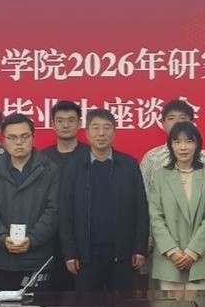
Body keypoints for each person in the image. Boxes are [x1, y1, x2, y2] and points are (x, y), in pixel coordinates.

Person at [59, 109, 149, 292]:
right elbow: (65, 212)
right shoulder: (73, 166)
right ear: (87, 133)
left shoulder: (129, 164)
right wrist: (69, 253)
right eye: (96, 128)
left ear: (114, 133)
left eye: (107, 128)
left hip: (122, 254)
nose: (101, 133)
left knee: (123, 306)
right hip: (85, 256)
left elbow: (141, 208)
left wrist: (140, 248)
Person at [0, 113, 60, 291]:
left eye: (24, 136)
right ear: (3, 140)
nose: (19, 142)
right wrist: (2, 238)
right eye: (12, 137)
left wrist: (32, 239)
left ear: (33, 138)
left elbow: (53, 211)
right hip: (1, 259)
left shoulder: (50, 170)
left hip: (38, 258)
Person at [149, 122, 205, 291]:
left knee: (201, 306)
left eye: (189, 141)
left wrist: (192, 252)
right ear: (171, 146)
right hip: (169, 259)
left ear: (197, 145)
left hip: (200, 258)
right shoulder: (161, 176)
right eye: (177, 141)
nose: (183, 147)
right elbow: (156, 217)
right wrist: (172, 251)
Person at [139, 99, 205, 190]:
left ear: (191, 123)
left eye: (182, 118)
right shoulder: (152, 157)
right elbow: (144, 191)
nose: (177, 122)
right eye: (171, 118)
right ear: (163, 124)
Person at [42, 100, 89, 171]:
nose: (66, 125)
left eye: (71, 120)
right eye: (60, 121)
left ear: (79, 124)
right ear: (53, 125)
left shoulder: (91, 154)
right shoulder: (43, 157)